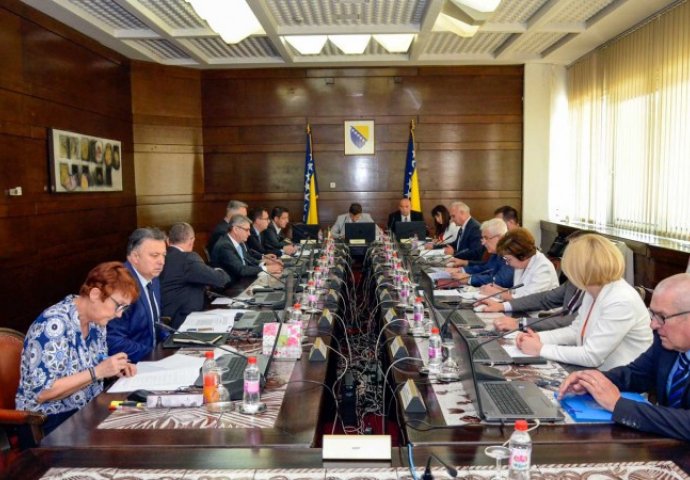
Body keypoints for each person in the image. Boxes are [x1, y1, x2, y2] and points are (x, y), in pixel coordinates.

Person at [558, 273, 690, 442]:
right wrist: (591, 381)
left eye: (662, 317)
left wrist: (617, 405)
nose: (653, 325)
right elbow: (635, 374)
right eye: (653, 314)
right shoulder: (666, 341)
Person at [15, 262, 138, 437]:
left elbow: (92, 362)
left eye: (124, 308)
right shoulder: (53, 325)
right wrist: (98, 372)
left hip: (90, 409)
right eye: (118, 306)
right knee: (127, 439)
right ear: (95, 294)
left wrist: (114, 368)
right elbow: (43, 392)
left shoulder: (97, 321)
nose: (119, 314)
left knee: (143, 411)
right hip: (50, 421)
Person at [515, 234, 652, 370]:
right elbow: (576, 331)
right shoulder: (593, 289)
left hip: (618, 378)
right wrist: (539, 338)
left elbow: (591, 356)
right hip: (597, 372)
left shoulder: (620, 300)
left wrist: (541, 349)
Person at [107, 227, 168, 362]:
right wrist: (153, 355)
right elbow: (113, 341)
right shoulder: (120, 285)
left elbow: (155, 322)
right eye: (154, 255)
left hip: (154, 358)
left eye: (163, 255)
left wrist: (172, 341)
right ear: (135, 257)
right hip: (133, 364)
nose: (161, 261)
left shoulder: (153, 278)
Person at [159, 222, 231, 329]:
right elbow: (220, 280)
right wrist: (217, 270)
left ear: (168, 241)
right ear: (191, 240)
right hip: (182, 321)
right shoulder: (187, 258)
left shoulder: (163, 256)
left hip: (165, 318)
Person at [478, 227, 559, 300]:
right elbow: (518, 292)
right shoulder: (522, 264)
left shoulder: (543, 267)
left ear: (521, 255)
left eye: (508, 259)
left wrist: (497, 293)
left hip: (539, 311)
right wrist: (500, 289)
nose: (507, 263)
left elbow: (527, 301)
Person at [488, 280, 584, 332]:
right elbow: (545, 299)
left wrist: (520, 323)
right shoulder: (574, 281)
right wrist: (503, 306)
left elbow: (573, 321)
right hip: (556, 337)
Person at [445, 218, 513, 288]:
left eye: (486, 238)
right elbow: (485, 268)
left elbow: (500, 280)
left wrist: (470, 279)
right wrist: (462, 270)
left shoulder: (511, 254)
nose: (483, 243)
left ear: (500, 238)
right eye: (483, 238)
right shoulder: (496, 253)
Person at [211, 215, 283, 279]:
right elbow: (241, 270)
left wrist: (265, 263)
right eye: (247, 230)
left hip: (244, 280)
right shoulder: (224, 246)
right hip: (232, 286)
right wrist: (266, 269)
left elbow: (248, 259)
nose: (249, 234)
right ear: (236, 229)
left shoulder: (240, 242)